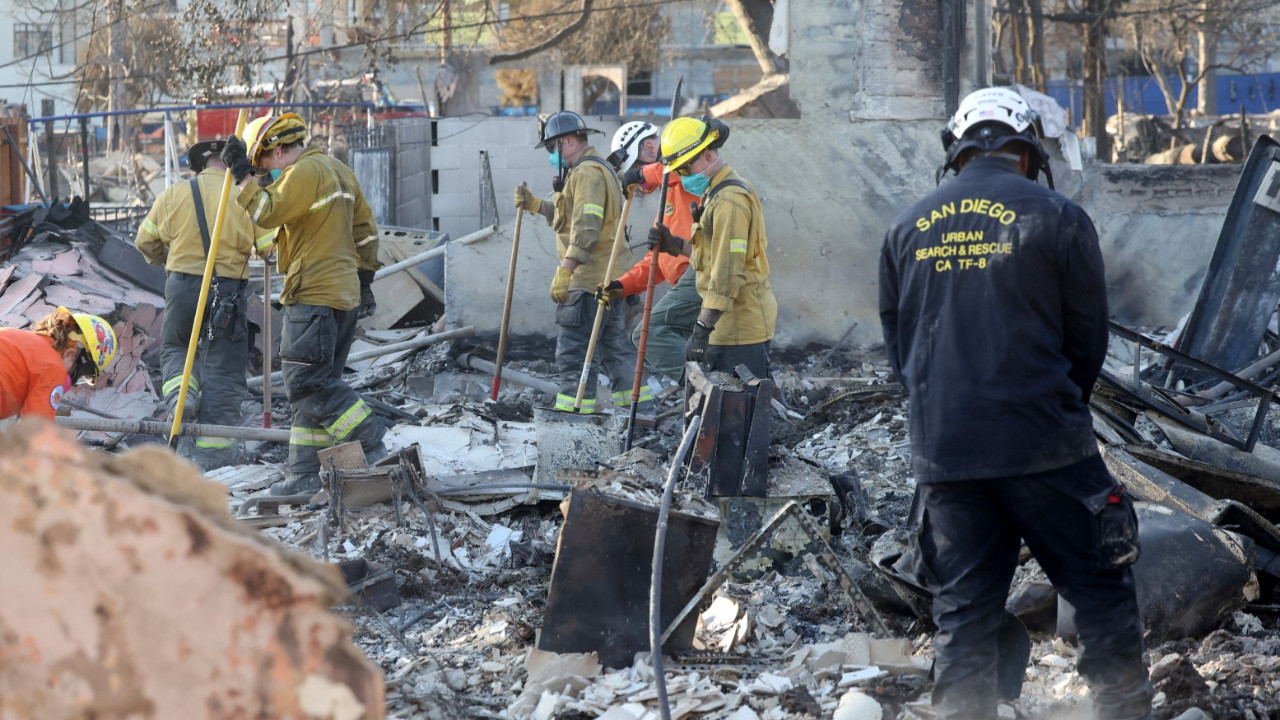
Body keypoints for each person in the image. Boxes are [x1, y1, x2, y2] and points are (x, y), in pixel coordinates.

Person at [878, 86, 1152, 720]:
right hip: (1042, 440)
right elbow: (1088, 342)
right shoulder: (1056, 217)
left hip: (946, 453)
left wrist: (943, 416)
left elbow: (902, 354)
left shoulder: (903, 229)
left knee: (965, 615)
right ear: (1027, 151)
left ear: (958, 152)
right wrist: (1056, 413)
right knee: (1100, 589)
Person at [219, 113, 387, 496]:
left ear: (277, 152)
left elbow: (266, 211)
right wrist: (364, 280)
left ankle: (370, 439)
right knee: (314, 389)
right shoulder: (340, 172)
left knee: (306, 384)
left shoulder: (304, 172)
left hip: (312, 293)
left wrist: (242, 175)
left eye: (264, 167)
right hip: (342, 296)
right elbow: (366, 234)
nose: (265, 177)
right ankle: (303, 475)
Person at [135, 139, 276, 470]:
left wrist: (170, 260)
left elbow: (145, 241)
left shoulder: (174, 195)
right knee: (224, 366)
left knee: (177, 349)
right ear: (231, 163)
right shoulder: (247, 194)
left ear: (198, 166)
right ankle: (214, 452)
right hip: (226, 290)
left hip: (183, 284)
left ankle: (181, 398)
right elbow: (271, 251)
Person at [513, 110, 646, 414]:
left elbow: (587, 226)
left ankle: (573, 414)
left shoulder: (586, 173)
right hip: (610, 278)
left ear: (569, 141)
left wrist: (566, 269)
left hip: (589, 281)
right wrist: (538, 206)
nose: (551, 153)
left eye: (552, 146)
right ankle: (640, 414)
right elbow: (569, 218)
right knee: (615, 350)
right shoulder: (591, 169)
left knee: (574, 352)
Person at [656, 116, 776, 379]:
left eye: (686, 168)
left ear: (708, 154)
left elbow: (728, 274)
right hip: (726, 327)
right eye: (678, 171)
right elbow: (711, 256)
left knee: (740, 413)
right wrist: (675, 245)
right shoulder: (713, 193)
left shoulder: (729, 202)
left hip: (740, 330)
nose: (682, 176)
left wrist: (701, 330)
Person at [597, 120, 704, 385]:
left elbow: (678, 168)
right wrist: (622, 285)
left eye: (635, 165)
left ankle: (703, 388)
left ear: (649, 147)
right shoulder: (668, 195)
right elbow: (657, 261)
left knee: (650, 331)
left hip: (703, 274)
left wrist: (641, 175)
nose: (637, 178)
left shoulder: (685, 173)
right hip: (688, 281)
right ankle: (704, 390)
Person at [0, 307, 117, 422]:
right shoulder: (53, 367)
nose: (71, 380)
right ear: (70, 354)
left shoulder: (15, 335)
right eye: (79, 373)